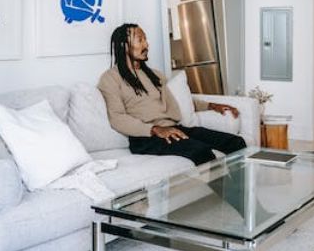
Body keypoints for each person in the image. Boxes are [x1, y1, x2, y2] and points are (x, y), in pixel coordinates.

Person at [98, 23, 247, 166]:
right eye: (140, 40)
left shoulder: (155, 75)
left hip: (174, 128)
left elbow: (176, 101)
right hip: (146, 138)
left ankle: (237, 185)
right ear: (124, 46)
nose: (146, 45)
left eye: (146, 39)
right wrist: (155, 129)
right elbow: (117, 118)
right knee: (202, 152)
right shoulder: (110, 78)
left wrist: (211, 105)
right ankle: (220, 185)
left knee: (236, 143)